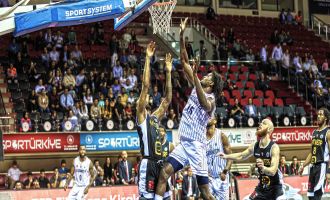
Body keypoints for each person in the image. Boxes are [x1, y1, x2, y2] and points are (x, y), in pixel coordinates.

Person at [155, 18, 223, 200]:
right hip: (184, 143)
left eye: (208, 75)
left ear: (212, 82)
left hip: (197, 146)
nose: (205, 76)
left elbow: (204, 104)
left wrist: (194, 74)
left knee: (205, 193)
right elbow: (183, 58)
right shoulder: (196, 84)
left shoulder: (211, 99)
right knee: (163, 174)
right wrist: (182, 34)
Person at [135, 40, 173, 199]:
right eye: (140, 101)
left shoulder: (155, 118)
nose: (141, 100)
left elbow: (168, 99)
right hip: (148, 164)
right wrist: (148, 59)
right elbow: (145, 86)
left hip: (161, 165)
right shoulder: (142, 118)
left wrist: (169, 72)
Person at [219, 119, 285, 200]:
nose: (260, 124)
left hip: (275, 188)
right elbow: (241, 156)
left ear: (269, 130)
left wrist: (263, 168)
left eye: (264, 123)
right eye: (260, 122)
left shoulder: (274, 147)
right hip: (262, 186)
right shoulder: (255, 146)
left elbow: (273, 171)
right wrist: (226, 156)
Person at [299, 108, 330, 200]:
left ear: (326, 118)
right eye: (318, 114)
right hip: (313, 167)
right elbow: (311, 153)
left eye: (321, 114)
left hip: (322, 167)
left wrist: (328, 172)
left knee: (317, 196)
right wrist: (303, 165)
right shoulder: (314, 132)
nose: (318, 116)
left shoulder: (328, 133)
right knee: (310, 196)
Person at [206, 118, 232, 200]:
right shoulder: (201, 138)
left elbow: (230, 157)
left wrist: (225, 171)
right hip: (208, 178)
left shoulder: (221, 135)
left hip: (221, 177)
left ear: (215, 122)